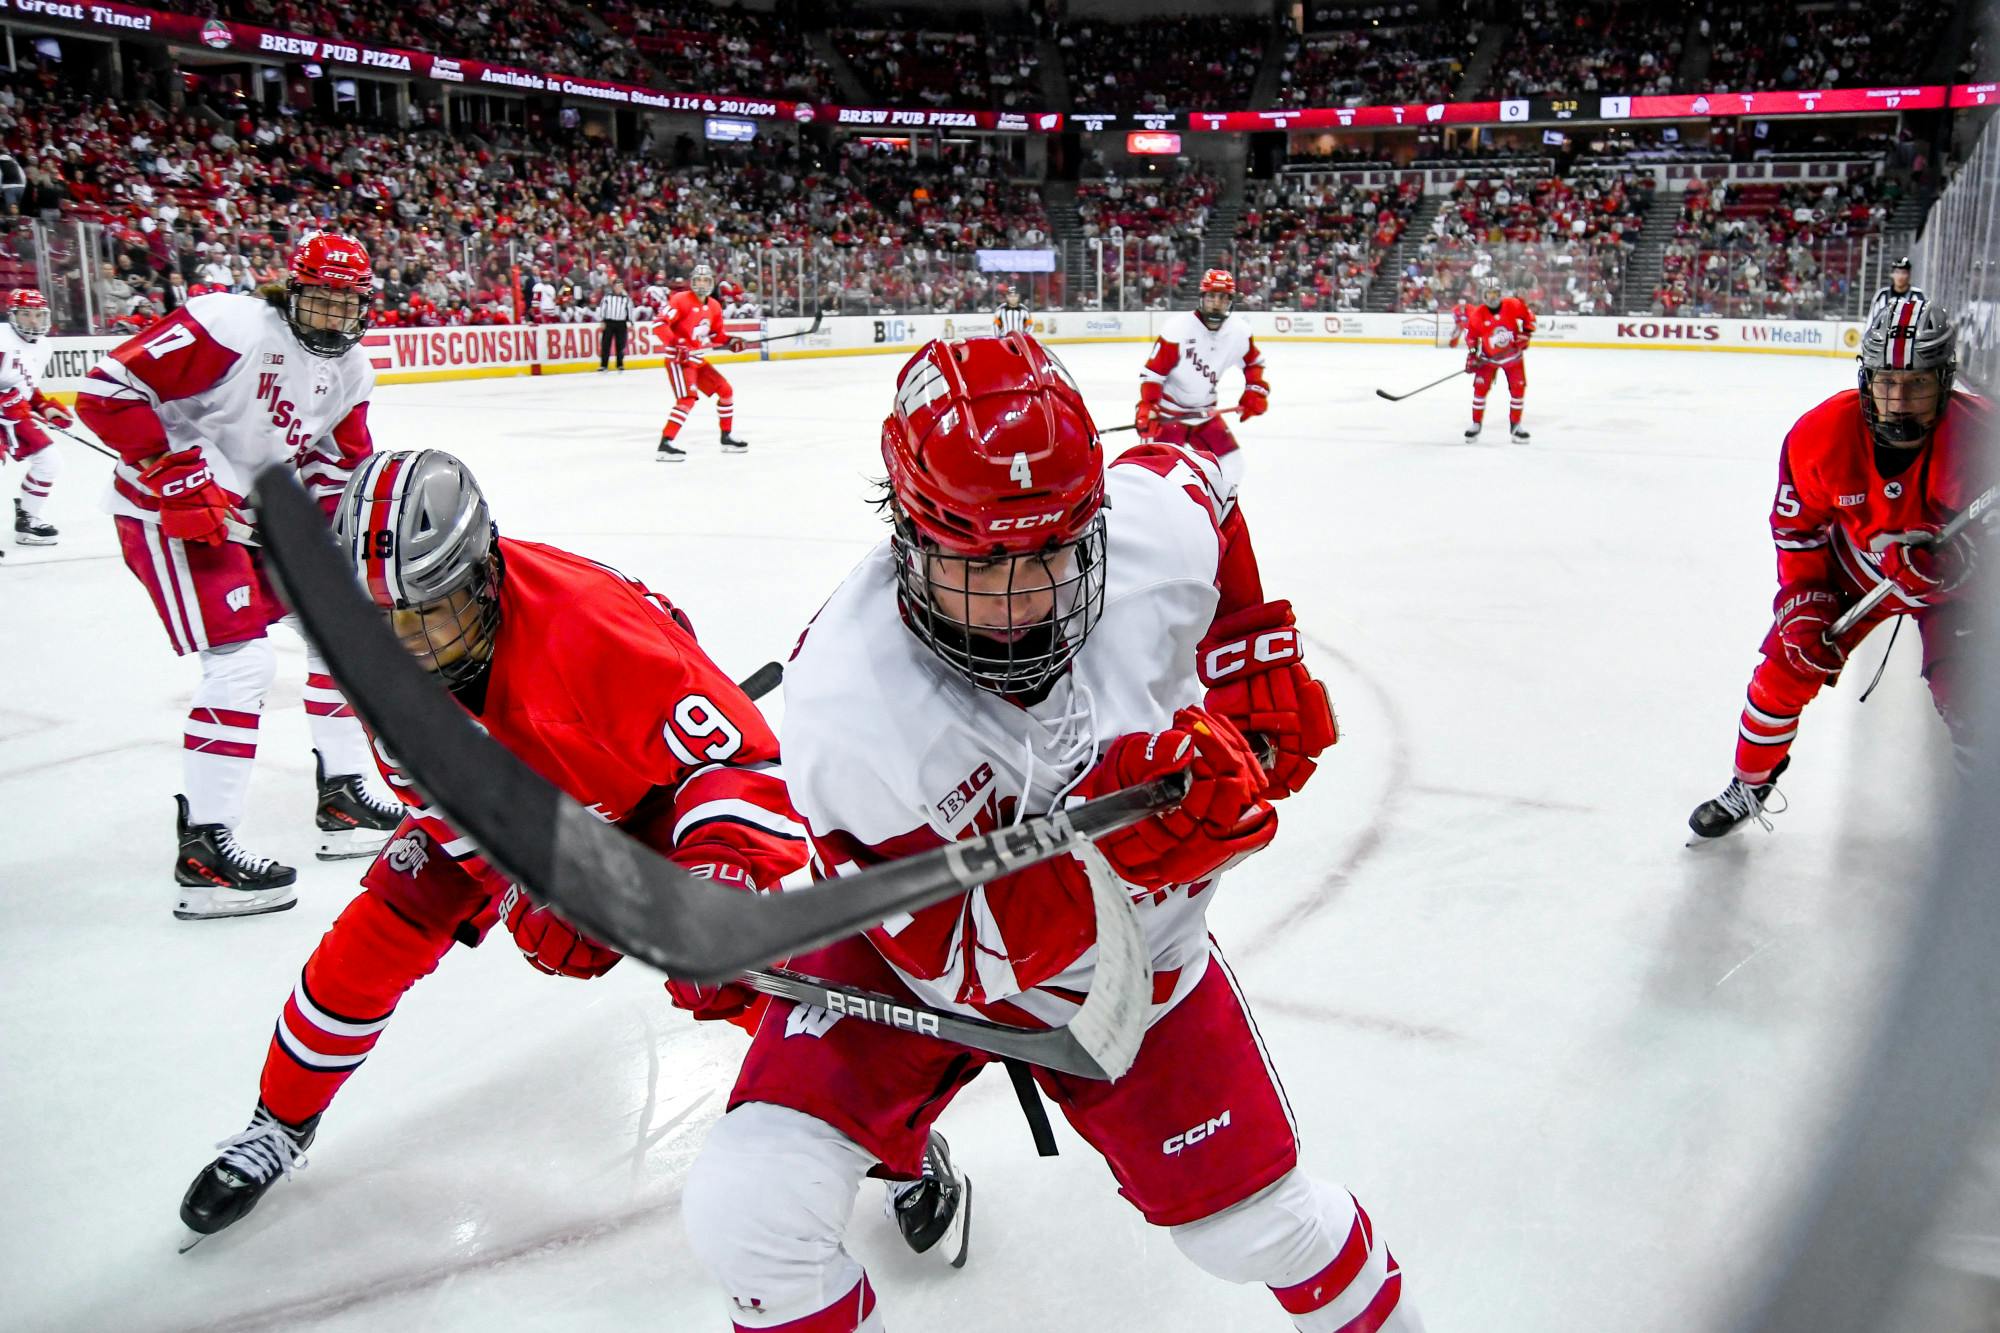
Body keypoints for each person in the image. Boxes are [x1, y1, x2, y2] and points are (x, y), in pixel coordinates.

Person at [682, 335, 1410, 1333]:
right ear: (907, 532)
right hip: (913, 955)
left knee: (1258, 1232)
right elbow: (951, 959)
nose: (1023, 606)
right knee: (747, 1211)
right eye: (977, 567)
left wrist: (1250, 646)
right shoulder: (850, 700)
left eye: (1053, 556)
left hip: (1136, 971)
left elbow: (1201, 478)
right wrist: (1125, 844)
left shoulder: (1147, 524)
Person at [177, 450, 968, 1262]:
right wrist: (526, 890)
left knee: (735, 973)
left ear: (482, 577)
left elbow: (745, 760)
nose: (406, 646)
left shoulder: (590, 632)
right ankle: (278, 1120)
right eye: (387, 626)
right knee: (374, 935)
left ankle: (892, 1138)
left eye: (430, 616)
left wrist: (716, 873)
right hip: (504, 796)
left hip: (639, 796)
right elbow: (443, 805)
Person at [73, 233, 403, 918]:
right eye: (320, 300)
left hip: (248, 514)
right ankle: (204, 851)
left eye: (348, 305)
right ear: (291, 290)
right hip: (166, 514)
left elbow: (337, 466)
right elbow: (105, 393)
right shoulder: (229, 324)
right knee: (243, 663)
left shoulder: (352, 373)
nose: (334, 317)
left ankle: (342, 797)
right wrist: (171, 470)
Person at [1689, 297, 1995, 838]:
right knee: (1784, 671)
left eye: (1918, 383)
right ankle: (1750, 782)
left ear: (1945, 380)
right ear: (1865, 378)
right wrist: (1804, 602)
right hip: (1855, 571)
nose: (1899, 401)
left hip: (1957, 590)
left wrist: (1968, 562)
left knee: (1972, 694)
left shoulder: (1985, 438)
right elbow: (1795, 530)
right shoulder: (1820, 434)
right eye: (1886, 382)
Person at [1134, 268, 1270, 500]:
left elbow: (1254, 364)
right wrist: (1148, 406)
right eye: (1211, 297)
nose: (1216, 303)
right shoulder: (1178, 329)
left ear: (1231, 301)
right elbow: (1153, 374)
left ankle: (1213, 512)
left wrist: (1254, 391)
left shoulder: (1239, 331)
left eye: (1223, 298)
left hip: (1204, 415)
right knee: (1157, 476)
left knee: (1233, 465)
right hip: (1169, 416)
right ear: (1202, 298)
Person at [654, 263, 748, 461]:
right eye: (698, 280)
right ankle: (665, 443)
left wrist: (731, 341)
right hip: (679, 360)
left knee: (725, 390)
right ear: (692, 282)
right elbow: (659, 324)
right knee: (687, 399)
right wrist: (676, 343)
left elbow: (717, 335)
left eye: (706, 280)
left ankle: (726, 437)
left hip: (696, 358)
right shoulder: (680, 300)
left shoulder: (714, 306)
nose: (702, 284)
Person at [0, 288, 70, 547]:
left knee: (50, 462)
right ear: (12, 315)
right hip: (5, 412)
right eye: (26, 314)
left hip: (12, 415)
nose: (33, 321)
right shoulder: (1, 339)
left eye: (38, 315)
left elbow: (25, 387)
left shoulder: (44, 347)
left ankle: (29, 519)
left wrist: (43, 407)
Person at [1453, 281, 1534, 442]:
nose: (1492, 298)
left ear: (1500, 294)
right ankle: (1476, 424)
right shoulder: (1477, 314)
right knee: (1479, 390)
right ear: (1483, 296)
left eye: (1495, 294)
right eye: (1489, 294)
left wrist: (1526, 333)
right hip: (1488, 360)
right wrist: (1473, 356)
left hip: (1513, 358)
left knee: (1518, 390)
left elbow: (1528, 316)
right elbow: (1471, 338)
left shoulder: (1512, 304)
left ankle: (1516, 426)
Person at [1868, 256, 1927, 322]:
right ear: (1892, 274)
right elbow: (1871, 320)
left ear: (1909, 274)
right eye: (1897, 272)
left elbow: (1924, 320)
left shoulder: (1918, 295)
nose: (1900, 276)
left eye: (1904, 273)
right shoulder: (1882, 294)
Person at [597, 279, 633, 371]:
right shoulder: (607, 297)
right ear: (613, 287)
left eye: (620, 286)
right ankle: (604, 365)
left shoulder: (626, 298)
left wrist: (630, 322)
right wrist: (602, 320)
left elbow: (629, 311)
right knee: (606, 344)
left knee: (620, 345)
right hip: (609, 322)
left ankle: (620, 364)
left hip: (621, 323)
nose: (618, 288)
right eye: (617, 286)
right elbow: (602, 309)